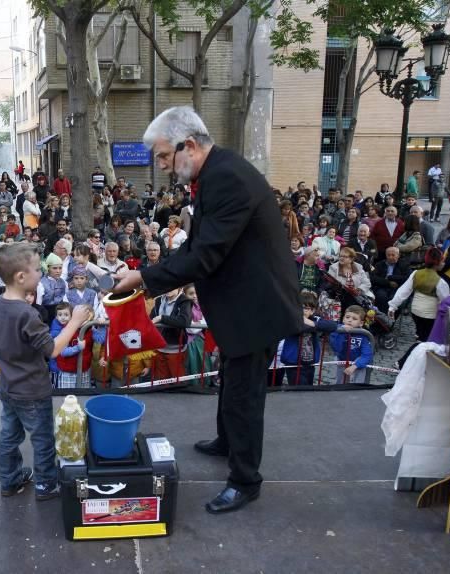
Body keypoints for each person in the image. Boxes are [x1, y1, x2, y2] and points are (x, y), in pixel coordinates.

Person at [113, 106, 302, 514]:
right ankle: (227, 441)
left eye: (164, 156)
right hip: (242, 301)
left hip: (257, 306)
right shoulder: (217, 172)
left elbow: (205, 255)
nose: (163, 167)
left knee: (244, 394)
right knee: (231, 378)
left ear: (190, 146)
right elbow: (201, 248)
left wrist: (144, 278)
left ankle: (245, 479)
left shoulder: (227, 178)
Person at [0, 242, 92, 500]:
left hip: (8, 386)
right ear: (21, 277)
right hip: (33, 390)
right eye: (37, 269)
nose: (41, 273)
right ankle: (47, 484)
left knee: (9, 436)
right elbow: (52, 349)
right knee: (43, 438)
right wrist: (76, 321)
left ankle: (9, 481)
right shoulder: (27, 314)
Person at [388, 247, 449, 342]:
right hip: (430, 315)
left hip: (415, 311)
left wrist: (393, 306)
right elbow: (445, 302)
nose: (443, 263)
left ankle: (419, 339)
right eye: (442, 261)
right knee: (426, 336)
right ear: (438, 263)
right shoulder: (440, 282)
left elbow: (403, 291)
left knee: (421, 332)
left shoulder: (416, 273)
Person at [277, 292, 337, 386]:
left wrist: (313, 324)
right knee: (298, 389)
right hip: (293, 364)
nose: (302, 311)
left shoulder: (314, 319)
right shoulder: (290, 319)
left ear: (312, 311)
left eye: (305, 308)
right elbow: (296, 328)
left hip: (309, 363)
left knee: (308, 388)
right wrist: (315, 328)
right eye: (299, 307)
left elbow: (333, 326)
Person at [150, 287, 193, 382]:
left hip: (176, 347)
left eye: (173, 285)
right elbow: (152, 318)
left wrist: (162, 318)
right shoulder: (158, 300)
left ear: (180, 287)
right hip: (159, 346)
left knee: (177, 381)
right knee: (161, 381)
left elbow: (184, 321)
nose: (168, 288)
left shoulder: (184, 301)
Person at [329, 306, 373, 385]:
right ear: (343, 319)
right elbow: (336, 348)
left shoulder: (363, 335)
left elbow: (366, 354)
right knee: (340, 383)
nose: (350, 320)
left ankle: (357, 391)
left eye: (354, 319)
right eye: (347, 317)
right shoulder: (337, 330)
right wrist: (342, 333)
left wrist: (355, 365)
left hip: (357, 364)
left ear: (361, 323)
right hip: (341, 360)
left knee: (358, 383)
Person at [37, 253, 67, 323]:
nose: (58, 271)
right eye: (54, 268)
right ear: (48, 268)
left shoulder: (64, 283)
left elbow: (66, 301)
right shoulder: (41, 284)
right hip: (46, 313)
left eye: (60, 268)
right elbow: (38, 304)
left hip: (61, 314)